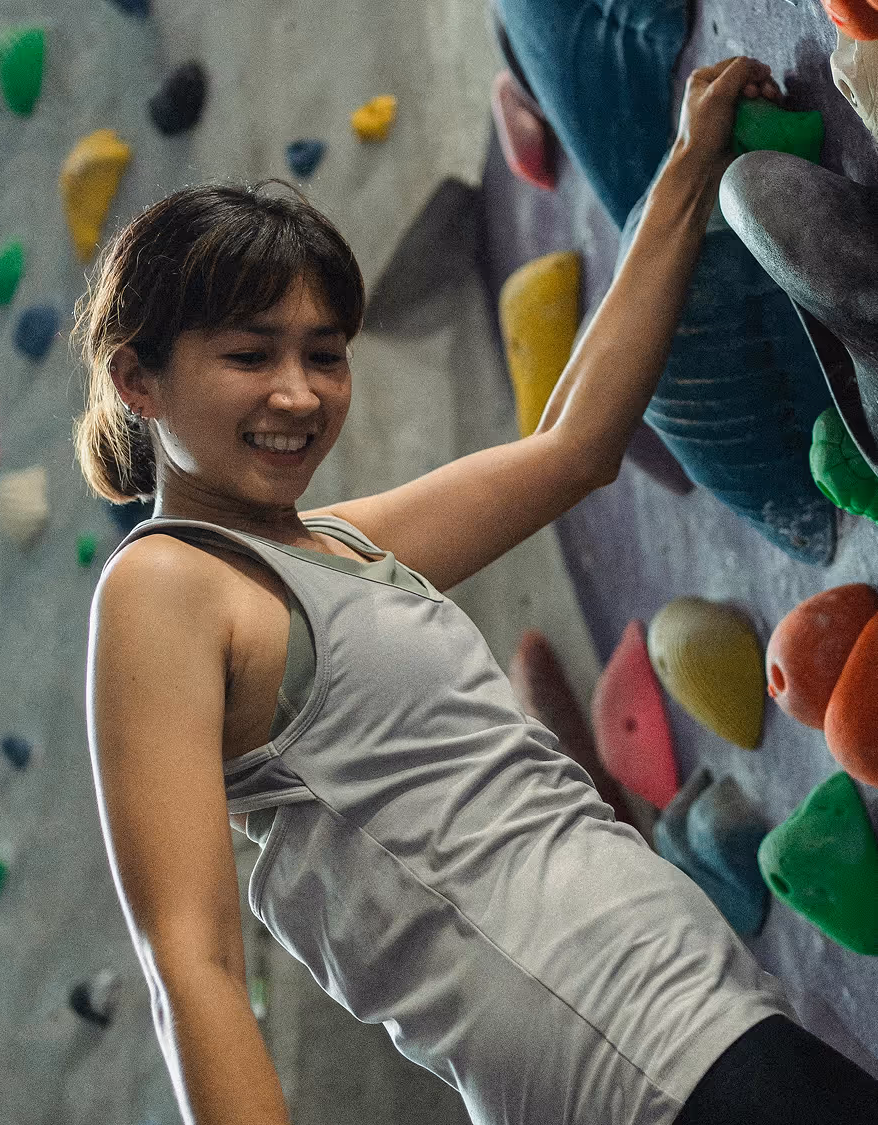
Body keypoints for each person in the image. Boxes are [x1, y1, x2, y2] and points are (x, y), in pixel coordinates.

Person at [75, 57, 878, 1125]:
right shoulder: (164, 583)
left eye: (324, 354)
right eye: (247, 354)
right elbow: (195, 966)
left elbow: (573, 448)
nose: (297, 393)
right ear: (138, 380)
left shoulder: (325, 548)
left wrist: (687, 169)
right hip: (640, 1062)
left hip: (697, 1019)